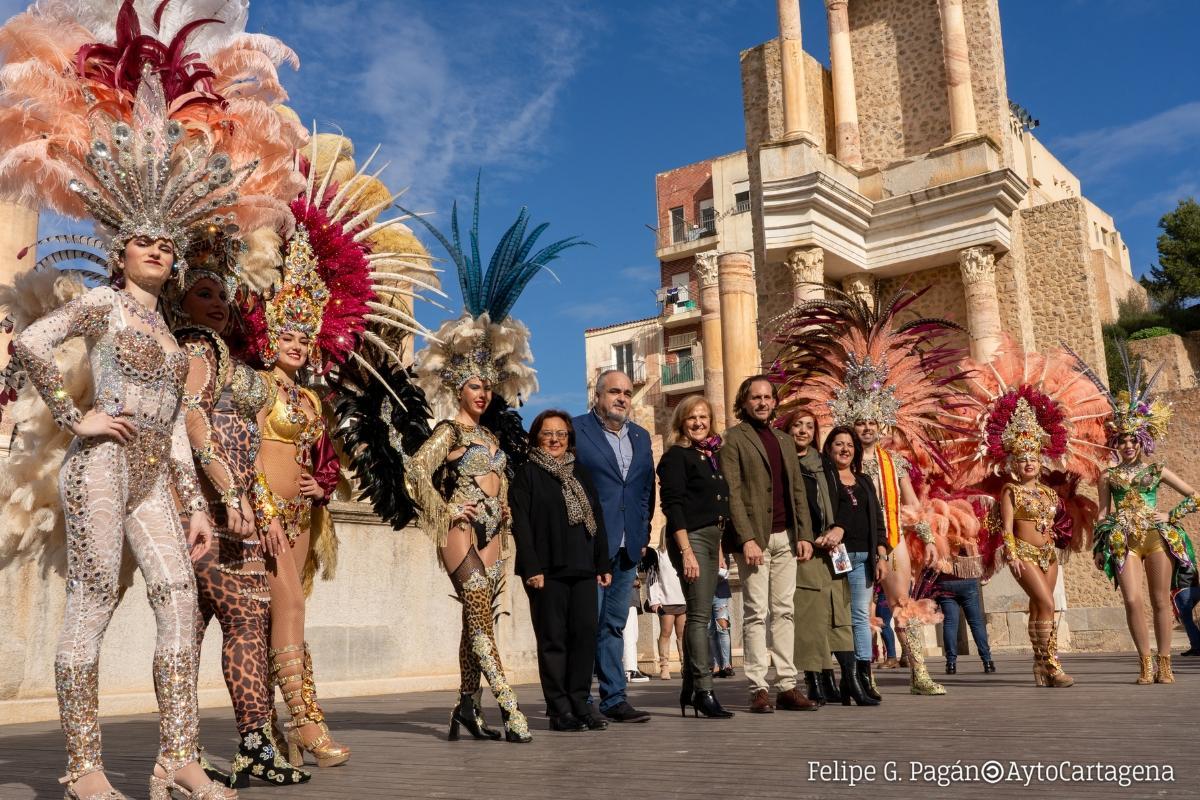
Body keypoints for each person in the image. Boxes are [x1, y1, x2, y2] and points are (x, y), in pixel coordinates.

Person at [8, 66, 255, 799]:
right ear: (119, 249)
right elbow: (29, 343)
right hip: (102, 466)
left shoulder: (175, 343)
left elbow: (177, 427)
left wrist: (197, 506)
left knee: (179, 595)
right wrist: (73, 412)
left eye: (166, 243)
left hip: (153, 474)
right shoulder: (102, 307)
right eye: (143, 239)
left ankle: (177, 759)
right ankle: (83, 767)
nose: (156, 250)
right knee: (91, 600)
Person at [405, 185, 586, 743]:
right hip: (461, 523)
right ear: (459, 385)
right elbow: (416, 472)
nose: (483, 394)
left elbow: (507, 474)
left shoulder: (490, 432)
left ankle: (466, 706)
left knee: (476, 621)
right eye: (474, 386)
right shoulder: (449, 431)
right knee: (482, 616)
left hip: (494, 528)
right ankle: (510, 707)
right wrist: (445, 514)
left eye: (488, 386)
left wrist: (504, 510)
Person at [772, 287, 970, 697]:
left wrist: (931, 541)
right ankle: (864, 674)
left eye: (873, 422)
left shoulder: (892, 463)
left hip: (890, 538)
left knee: (903, 603)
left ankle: (919, 671)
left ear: (883, 424)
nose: (866, 428)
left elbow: (913, 505)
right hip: (849, 543)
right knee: (856, 610)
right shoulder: (837, 464)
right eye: (858, 422)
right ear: (849, 424)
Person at [170, 260, 311, 788]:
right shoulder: (197, 347)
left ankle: (235, 743)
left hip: (239, 508)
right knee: (221, 623)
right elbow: (193, 419)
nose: (217, 303)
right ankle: (200, 747)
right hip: (202, 509)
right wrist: (226, 493)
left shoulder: (224, 354)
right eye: (203, 294)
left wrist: (259, 504)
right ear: (179, 302)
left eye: (222, 295)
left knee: (231, 625)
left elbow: (246, 445)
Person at [945, 340, 1111, 688]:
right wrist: (1013, 554)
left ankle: (1040, 665)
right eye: (1021, 459)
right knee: (1046, 601)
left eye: (1032, 457)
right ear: (1013, 462)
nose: (1027, 462)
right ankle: (1053, 665)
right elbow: (1006, 528)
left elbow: (1060, 518)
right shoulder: (1011, 490)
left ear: (1040, 459)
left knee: (1041, 607)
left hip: (1048, 553)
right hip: (1024, 554)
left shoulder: (1050, 492)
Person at [248, 229, 350, 768]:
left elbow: (324, 456)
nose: (296, 342)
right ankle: (306, 723)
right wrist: (263, 509)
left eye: (304, 336)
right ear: (271, 337)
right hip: (265, 519)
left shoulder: (308, 396)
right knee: (288, 606)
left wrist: (321, 486)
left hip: (302, 518)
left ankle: (275, 727)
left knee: (287, 616)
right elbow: (244, 453)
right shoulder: (255, 386)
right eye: (287, 333)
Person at [1091, 350, 1197, 684]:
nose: (1126, 446)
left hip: (1156, 535)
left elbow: (1196, 495)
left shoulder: (1157, 470)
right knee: (1133, 599)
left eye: (1132, 440)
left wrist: (1172, 513)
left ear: (1141, 441)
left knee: (1159, 600)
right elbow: (1103, 513)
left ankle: (1165, 663)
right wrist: (1098, 545)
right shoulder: (1108, 476)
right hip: (1123, 540)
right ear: (1115, 444)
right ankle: (1145, 662)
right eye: (1121, 441)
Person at [510, 410, 612, 732]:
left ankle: (581, 703)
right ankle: (559, 709)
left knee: (584, 637)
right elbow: (521, 525)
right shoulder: (526, 474)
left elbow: (596, 518)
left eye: (562, 434)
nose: (555, 439)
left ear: (569, 438)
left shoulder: (580, 473)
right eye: (548, 433)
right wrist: (531, 567)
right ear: (536, 437)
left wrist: (602, 562)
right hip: (546, 571)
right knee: (553, 640)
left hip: (582, 567)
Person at [721, 376, 815, 713]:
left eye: (767, 397)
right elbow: (732, 493)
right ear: (744, 403)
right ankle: (758, 687)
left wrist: (804, 534)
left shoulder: (784, 440)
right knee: (756, 614)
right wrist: (746, 538)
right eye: (755, 397)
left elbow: (798, 492)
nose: (762, 402)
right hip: (755, 539)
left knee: (785, 612)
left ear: (775, 402)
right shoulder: (733, 439)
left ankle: (788, 685)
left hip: (786, 537)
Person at [574, 370, 656, 723]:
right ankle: (572, 698)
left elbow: (645, 492)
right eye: (614, 392)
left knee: (614, 624)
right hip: (589, 543)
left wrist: (642, 533)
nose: (622, 398)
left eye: (627, 392)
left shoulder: (641, 436)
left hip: (627, 546)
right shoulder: (576, 430)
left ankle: (613, 698)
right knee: (584, 624)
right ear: (598, 396)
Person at [656, 394, 735, 718]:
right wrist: (687, 551)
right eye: (692, 418)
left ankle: (690, 688)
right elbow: (672, 506)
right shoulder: (677, 456)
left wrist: (719, 548)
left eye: (704, 417)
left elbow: (716, 508)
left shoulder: (711, 456)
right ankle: (703, 690)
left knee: (700, 615)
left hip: (710, 538)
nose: (699, 423)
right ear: (681, 423)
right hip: (692, 540)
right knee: (700, 617)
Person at [781, 410, 859, 707]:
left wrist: (838, 528)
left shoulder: (824, 463)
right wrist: (808, 536)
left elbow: (840, 500)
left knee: (837, 610)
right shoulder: (786, 464)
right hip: (806, 547)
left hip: (833, 548)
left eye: (809, 426)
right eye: (797, 425)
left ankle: (835, 678)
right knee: (810, 614)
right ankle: (815, 680)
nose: (802, 430)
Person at [821, 427, 887, 706]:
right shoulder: (826, 480)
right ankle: (844, 677)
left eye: (850, 444)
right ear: (830, 448)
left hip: (864, 555)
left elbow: (877, 517)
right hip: (838, 554)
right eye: (839, 444)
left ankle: (863, 676)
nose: (845, 449)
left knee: (861, 616)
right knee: (840, 616)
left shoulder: (865, 480)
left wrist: (882, 552)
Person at [933, 569, 995, 675]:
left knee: (950, 624)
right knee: (976, 623)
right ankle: (987, 661)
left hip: (945, 582)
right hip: (967, 579)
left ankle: (951, 664)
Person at [647, 546, 687, 680]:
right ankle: (664, 667)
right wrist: (654, 601)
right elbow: (652, 578)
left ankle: (685, 666)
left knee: (682, 634)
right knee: (666, 632)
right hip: (665, 601)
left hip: (683, 599)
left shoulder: (684, 553)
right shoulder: (657, 555)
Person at [709, 557, 734, 678]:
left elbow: (725, 567)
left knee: (722, 628)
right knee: (710, 631)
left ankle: (726, 665)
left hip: (720, 590)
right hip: (704, 593)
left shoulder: (721, 550)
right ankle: (716, 664)